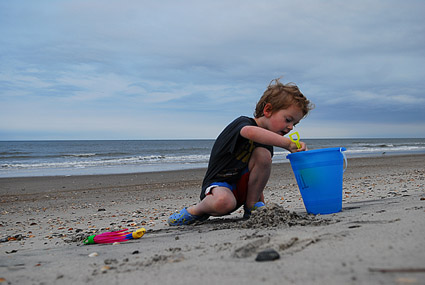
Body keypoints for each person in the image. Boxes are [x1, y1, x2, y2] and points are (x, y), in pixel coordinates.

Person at [168, 78, 313, 226]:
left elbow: (256, 173)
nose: (290, 127)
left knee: (263, 155)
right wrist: (287, 144)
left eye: (294, 124)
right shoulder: (243, 123)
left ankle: (251, 207)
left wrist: (258, 201)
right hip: (219, 187)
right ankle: (195, 211)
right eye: (288, 120)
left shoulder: (267, 142)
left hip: (243, 190)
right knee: (223, 202)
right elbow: (251, 132)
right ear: (268, 110)